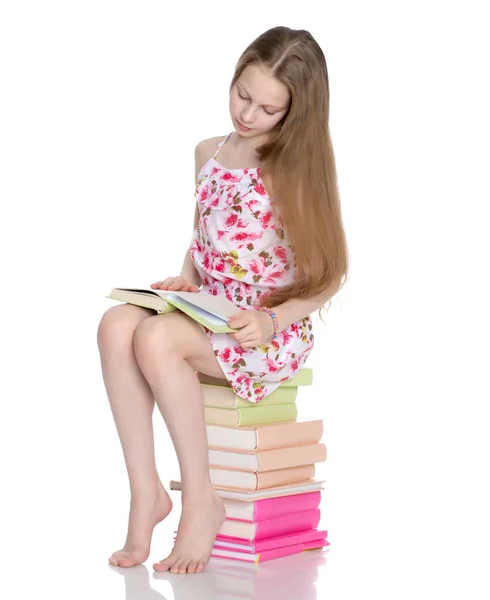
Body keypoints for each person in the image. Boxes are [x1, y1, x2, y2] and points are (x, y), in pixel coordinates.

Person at [97, 25, 349, 575]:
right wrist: (187, 279)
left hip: (263, 331)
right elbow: (201, 236)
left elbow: (331, 275)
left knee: (155, 337)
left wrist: (271, 317)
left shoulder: (293, 172)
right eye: (242, 94)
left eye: (267, 109)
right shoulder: (208, 152)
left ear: (294, 114)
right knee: (117, 324)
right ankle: (147, 493)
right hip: (207, 309)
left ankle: (201, 500)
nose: (248, 114)